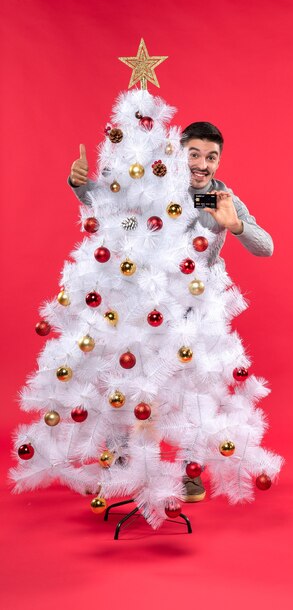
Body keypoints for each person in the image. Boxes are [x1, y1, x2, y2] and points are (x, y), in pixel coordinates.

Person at [68, 121, 274, 502]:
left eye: (211, 157)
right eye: (194, 154)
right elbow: (114, 209)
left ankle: (189, 470)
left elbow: (266, 247)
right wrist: (80, 185)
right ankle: (121, 458)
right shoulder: (157, 187)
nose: (202, 163)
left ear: (218, 162)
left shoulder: (222, 198)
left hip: (198, 311)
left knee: (194, 393)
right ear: (178, 155)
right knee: (131, 378)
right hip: (150, 304)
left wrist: (238, 225)